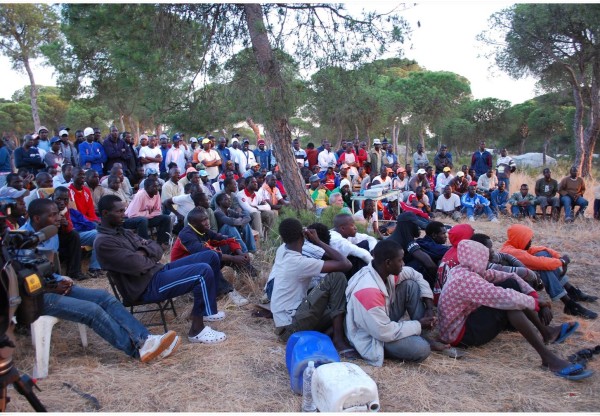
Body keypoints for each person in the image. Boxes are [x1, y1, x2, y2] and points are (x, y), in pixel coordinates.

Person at [438, 239, 592, 380]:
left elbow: (507, 276)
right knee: (511, 307)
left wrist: (533, 295)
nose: (489, 260)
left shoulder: (462, 269)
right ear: (476, 258)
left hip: (461, 322)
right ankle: (548, 359)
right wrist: (537, 303)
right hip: (458, 334)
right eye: (485, 257)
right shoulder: (466, 279)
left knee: (510, 283)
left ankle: (547, 333)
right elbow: (505, 297)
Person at [96, 194, 228, 345]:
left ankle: (206, 309)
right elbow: (137, 264)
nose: (124, 214)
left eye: (123, 210)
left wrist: (144, 252)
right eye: (119, 211)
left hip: (156, 272)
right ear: (105, 213)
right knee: (202, 272)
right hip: (145, 287)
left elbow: (157, 248)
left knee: (210, 255)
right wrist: (146, 251)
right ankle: (196, 331)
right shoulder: (104, 243)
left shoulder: (123, 231)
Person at [269, 218, 357, 357]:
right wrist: (318, 241)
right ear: (302, 236)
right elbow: (346, 264)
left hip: (284, 325)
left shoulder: (283, 250)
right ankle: (338, 339)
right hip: (291, 327)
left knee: (345, 310)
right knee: (337, 277)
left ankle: (330, 334)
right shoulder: (299, 263)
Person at [345, 239, 436, 366]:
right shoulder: (368, 290)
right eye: (400, 260)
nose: (403, 264)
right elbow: (384, 332)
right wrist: (418, 325)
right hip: (373, 335)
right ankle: (413, 339)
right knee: (422, 349)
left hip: (383, 320)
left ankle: (424, 335)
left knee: (411, 285)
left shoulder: (386, 271)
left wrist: (429, 307)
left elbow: (417, 275)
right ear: (388, 263)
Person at [500, 224, 597, 319]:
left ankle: (571, 291)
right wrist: (561, 262)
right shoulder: (511, 252)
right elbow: (539, 263)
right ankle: (569, 304)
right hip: (517, 284)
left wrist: (559, 257)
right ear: (520, 239)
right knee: (542, 268)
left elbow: (541, 249)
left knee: (543, 253)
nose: (530, 242)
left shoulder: (514, 245)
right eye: (528, 239)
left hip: (525, 277)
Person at [170, 207, 250, 306]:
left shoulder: (203, 229)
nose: (207, 222)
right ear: (194, 224)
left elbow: (226, 239)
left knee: (227, 248)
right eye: (203, 220)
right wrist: (233, 258)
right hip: (182, 271)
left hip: (197, 262)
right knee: (210, 260)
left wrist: (240, 254)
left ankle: (251, 276)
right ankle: (227, 291)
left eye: (207, 218)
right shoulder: (186, 235)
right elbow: (207, 254)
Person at [54, 186, 103, 277]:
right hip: (52, 237)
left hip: (70, 235)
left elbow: (70, 228)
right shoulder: (48, 208)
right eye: (58, 199)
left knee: (98, 234)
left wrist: (66, 223)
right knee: (74, 235)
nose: (62, 202)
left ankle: (95, 268)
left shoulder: (66, 210)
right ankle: (74, 272)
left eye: (65, 199)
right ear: (53, 197)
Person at [388, 212, 438, 288]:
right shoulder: (405, 240)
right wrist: (439, 279)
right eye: (416, 225)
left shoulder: (397, 237)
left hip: (392, 279)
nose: (419, 228)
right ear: (409, 226)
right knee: (420, 263)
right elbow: (429, 265)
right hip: (393, 281)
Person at [125, 178, 173, 248]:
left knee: (166, 218)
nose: (157, 188)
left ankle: (162, 243)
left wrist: (148, 214)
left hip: (146, 218)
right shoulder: (140, 195)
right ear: (146, 188)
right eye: (154, 186)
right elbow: (132, 214)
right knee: (143, 220)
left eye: (157, 186)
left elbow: (158, 211)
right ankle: (146, 245)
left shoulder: (156, 194)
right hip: (130, 219)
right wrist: (148, 213)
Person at [434, 223, 474, 304]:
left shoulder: (451, 250)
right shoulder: (464, 254)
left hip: (440, 297)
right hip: (451, 301)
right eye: (472, 235)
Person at [329, 213, 373, 278]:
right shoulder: (336, 240)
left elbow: (370, 238)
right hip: (331, 275)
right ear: (343, 228)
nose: (355, 228)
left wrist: (373, 250)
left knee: (365, 243)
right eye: (352, 225)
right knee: (360, 256)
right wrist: (376, 267)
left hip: (342, 267)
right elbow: (364, 254)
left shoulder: (345, 233)